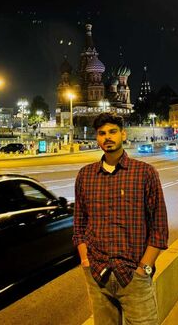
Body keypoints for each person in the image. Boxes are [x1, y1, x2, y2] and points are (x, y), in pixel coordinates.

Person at [73, 112, 168, 325]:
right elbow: (79, 224)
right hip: (98, 276)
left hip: (134, 277)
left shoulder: (145, 173)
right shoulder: (85, 175)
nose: (107, 137)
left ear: (123, 134)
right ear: (97, 138)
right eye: (102, 133)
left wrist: (144, 269)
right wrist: (86, 261)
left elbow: (159, 227)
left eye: (112, 132)